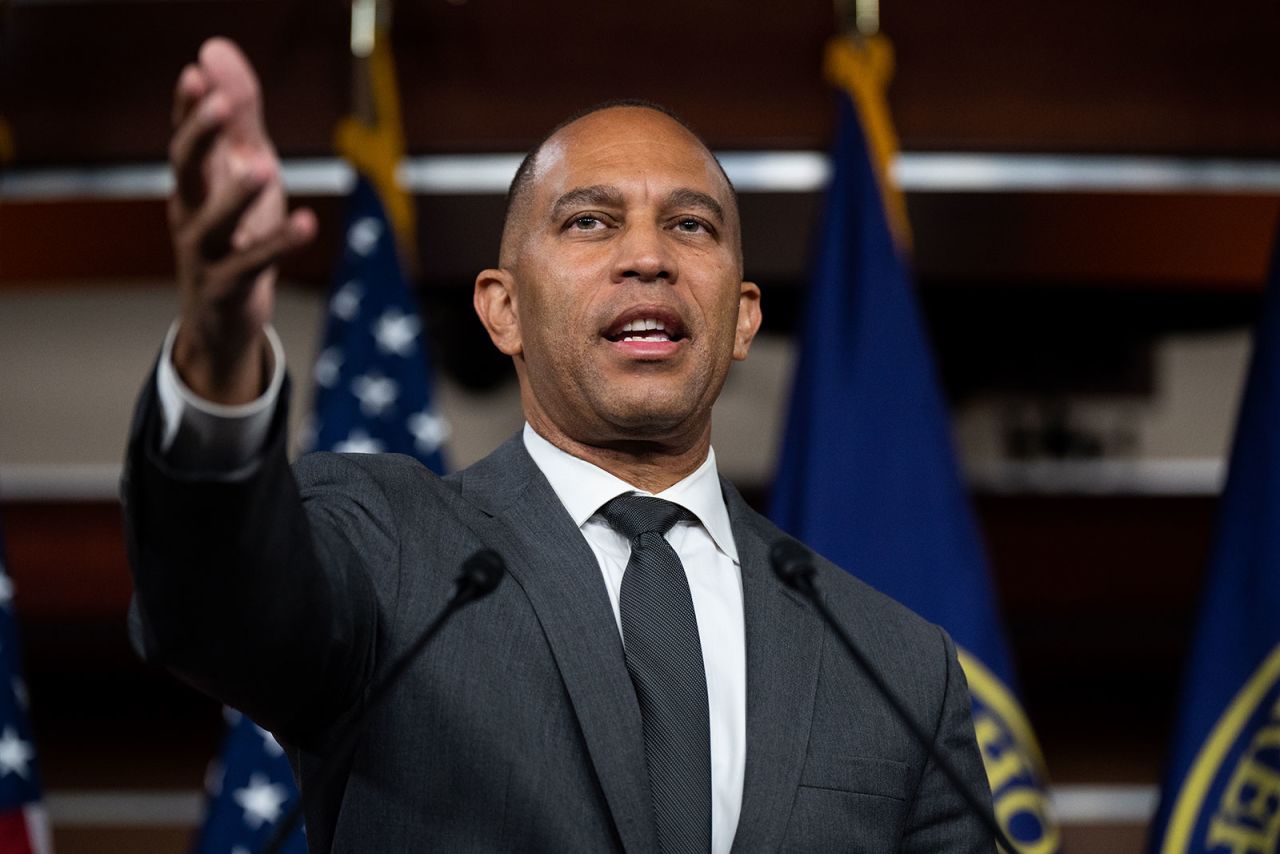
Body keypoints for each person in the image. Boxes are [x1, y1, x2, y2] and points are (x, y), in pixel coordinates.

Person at [124, 37, 995, 854]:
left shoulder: (897, 665)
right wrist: (218, 353)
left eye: (692, 226)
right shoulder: (387, 548)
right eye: (590, 222)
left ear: (743, 318)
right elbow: (211, 603)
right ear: (502, 309)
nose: (648, 257)